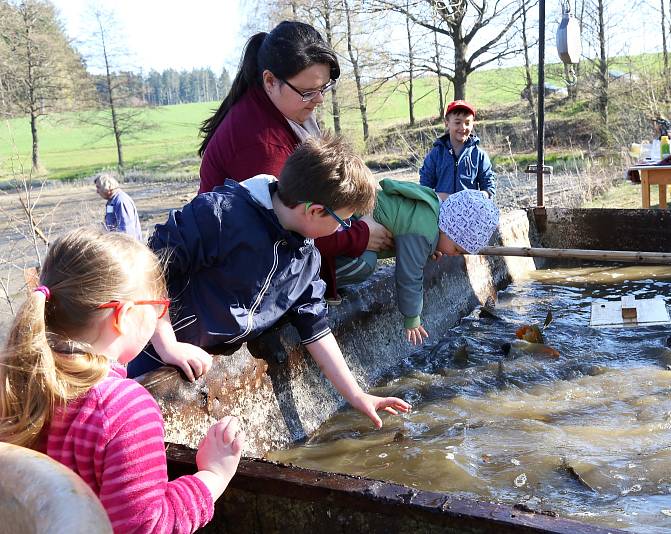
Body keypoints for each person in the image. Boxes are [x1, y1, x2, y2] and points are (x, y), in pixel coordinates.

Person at [136, 135, 411, 428]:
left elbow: (316, 329)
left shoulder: (305, 257)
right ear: (315, 211)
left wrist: (356, 395)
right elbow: (148, 268)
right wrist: (168, 345)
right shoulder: (220, 216)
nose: (343, 229)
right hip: (152, 346)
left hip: (206, 360)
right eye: (343, 221)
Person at [0, 228, 244, 533]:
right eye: (158, 309)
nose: (160, 317)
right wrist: (213, 476)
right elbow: (146, 526)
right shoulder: (124, 408)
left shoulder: (15, 379)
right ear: (123, 316)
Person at [197, 20, 392, 300]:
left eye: (324, 87)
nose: (319, 100)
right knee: (364, 261)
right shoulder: (261, 142)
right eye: (308, 92)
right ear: (270, 81)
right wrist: (359, 236)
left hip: (282, 228)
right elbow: (288, 229)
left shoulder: (283, 109)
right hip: (243, 267)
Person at [335, 181, 500, 346]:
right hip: (345, 225)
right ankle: (322, 278)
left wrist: (431, 247)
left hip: (351, 218)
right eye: (456, 248)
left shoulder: (432, 210)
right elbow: (409, 275)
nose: (454, 254)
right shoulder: (423, 232)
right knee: (364, 264)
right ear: (446, 229)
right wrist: (412, 316)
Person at [419, 100, 496, 201]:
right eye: (457, 122)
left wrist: (476, 197)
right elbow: (424, 188)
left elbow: (489, 188)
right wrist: (440, 197)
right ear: (447, 123)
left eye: (467, 123)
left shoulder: (479, 155)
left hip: (470, 212)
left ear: (473, 124)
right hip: (441, 211)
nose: (463, 127)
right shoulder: (436, 154)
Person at [94, 172, 142, 241]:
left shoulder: (121, 201)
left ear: (108, 187)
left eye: (98, 187)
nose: (97, 191)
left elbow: (127, 233)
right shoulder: (111, 201)